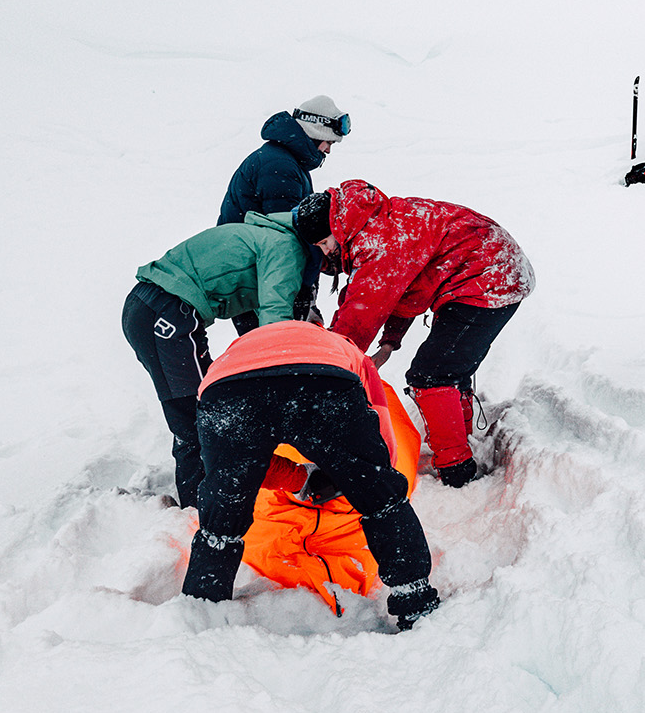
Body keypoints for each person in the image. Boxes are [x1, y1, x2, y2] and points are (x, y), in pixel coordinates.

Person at [179, 317, 441, 630]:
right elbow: (382, 428)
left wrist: (298, 479)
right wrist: (371, 481)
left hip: (227, 392)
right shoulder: (344, 348)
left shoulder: (233, 353)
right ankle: (415, 602)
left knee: (222, 516)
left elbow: (239, 468)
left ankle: (201, 615)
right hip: (320, 381)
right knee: (383, 499)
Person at [315, 180, 536, 489]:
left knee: (432, 373)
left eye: (324, 243)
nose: (327, 252)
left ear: (335, 230)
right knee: (448, 367)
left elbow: (358, 316)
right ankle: (462, 438)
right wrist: (389, 344)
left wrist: (325, 368)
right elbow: (404, 290)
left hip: (488, 277)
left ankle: (457, 469)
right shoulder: (372, 221)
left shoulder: (377, 243)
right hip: (493, 268)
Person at [120, 208, 317, 509]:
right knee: (205, 419)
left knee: (198, 415)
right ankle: (200, 513)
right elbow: (275, 324)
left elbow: (260, 316)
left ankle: (199, 506)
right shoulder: (286, 248)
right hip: (171, 315)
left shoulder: (267, 235)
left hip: (146, 308)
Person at [220, 95, 348, 329]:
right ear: (314, 132)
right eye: (328, 142)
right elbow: (288, 239)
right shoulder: (279, 168)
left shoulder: (285, 161)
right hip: (257, 283)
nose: (328, 150)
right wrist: (303, 296)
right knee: (271, 353)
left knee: (272, 354)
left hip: (254, 280)